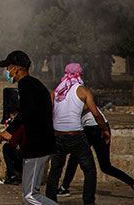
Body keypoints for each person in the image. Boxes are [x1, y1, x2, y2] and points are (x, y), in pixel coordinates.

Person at [0, 50, 56, 205]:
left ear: (17, 68)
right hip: (38, 145)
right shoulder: (34, 83)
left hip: (38, 146)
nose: (7, 72)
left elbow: (26, 113)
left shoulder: (26, 85)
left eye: (9, 68)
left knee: (30, 196)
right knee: (30, 194)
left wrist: (9, 131)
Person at [44, 63, 105, 204]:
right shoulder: (83, 91)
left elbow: (48, 113)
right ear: (80, 75)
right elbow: (96, 114)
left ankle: (50, 200)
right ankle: (88, 201)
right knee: (89, 170)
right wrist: (104, 130)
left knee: (55, 170)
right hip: (76, 135)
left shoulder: (55, 92)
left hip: (58, 135)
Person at [58, 106, 134, 199]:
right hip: (100, 125)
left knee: (75, 157)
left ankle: (64, 188)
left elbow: (89, 109)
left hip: (93, 128)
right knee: (105, 166)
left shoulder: (79, 93)